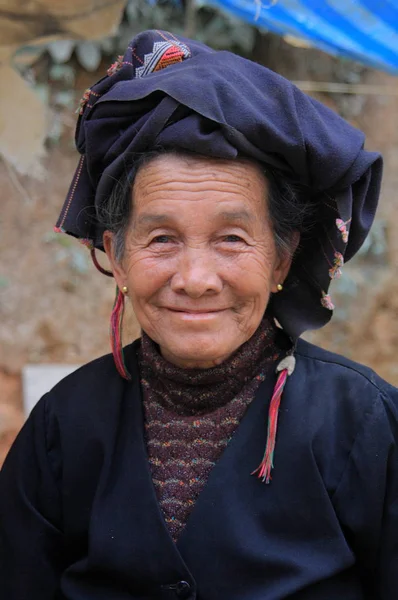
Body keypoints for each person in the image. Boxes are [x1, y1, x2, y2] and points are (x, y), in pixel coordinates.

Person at [0, 29, 397, 600]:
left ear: (281, 257)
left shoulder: (366, 422)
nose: (194, 279)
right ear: (116, 255)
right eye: (161, 238)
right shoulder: (62, 429)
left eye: (232, 239)